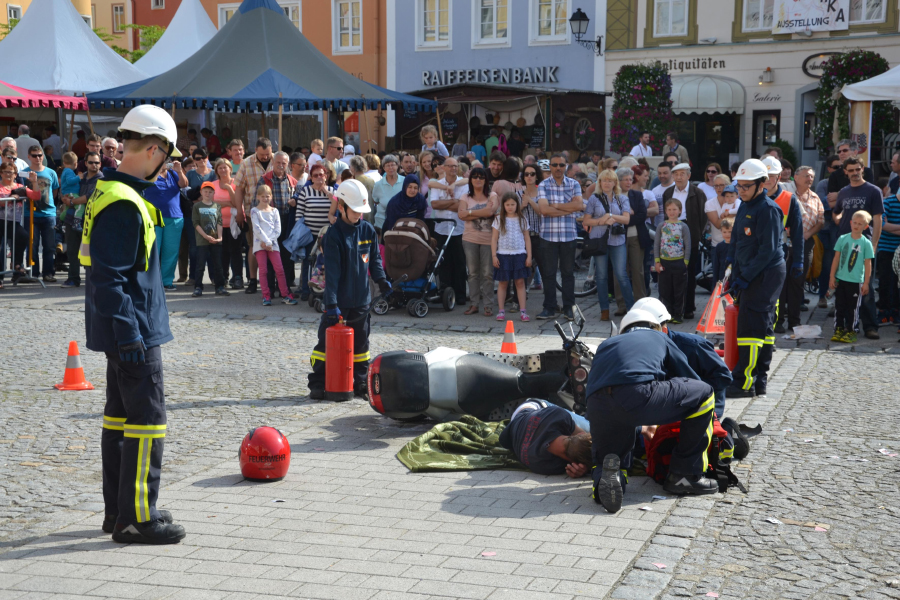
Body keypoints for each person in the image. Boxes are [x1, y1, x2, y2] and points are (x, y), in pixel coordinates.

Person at [80, 104, 186, 544]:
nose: (168, 170)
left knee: (120, 420)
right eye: (168, 159)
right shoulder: (123, 202)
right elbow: (109, 278)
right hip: (134, 331)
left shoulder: (113, 191)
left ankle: (118, 511)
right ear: (155, 149)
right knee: (147, 419)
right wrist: (130, 335)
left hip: (125, 329)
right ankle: (139, 516)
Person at [586, 308, 718, 513]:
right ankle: (685, 475)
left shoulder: (607, 344)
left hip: (597, 403)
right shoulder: (658, 337)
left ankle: (606, 482)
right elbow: (689, 379)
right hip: (637, 395)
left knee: (609, 456)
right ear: (655, 326)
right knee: (704, 394)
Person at [307, 180, 389, 399]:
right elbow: (332, 274)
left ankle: (360, 382)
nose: (359, 215)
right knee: (326, 345)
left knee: (361, 345)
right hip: (338, 302)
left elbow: (375, 260)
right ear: (341, 206)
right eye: (355, 210)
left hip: (362, 301)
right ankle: (317, 382)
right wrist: (331, 304)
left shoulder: (368, 230)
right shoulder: (333, 235)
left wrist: (382, 280)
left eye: (362, 211)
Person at [725, 159, 786, 399]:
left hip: (766, 274)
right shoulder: (744, 206)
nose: (740, 191)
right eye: (738, 186)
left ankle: (744, 383)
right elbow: (738, 240)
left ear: (762, 184)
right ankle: (759, 380)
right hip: (750, 272)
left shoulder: (768, 209)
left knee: (752, 329)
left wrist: (746, 277)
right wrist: (731, 268)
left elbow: (767, 251)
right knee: (762, 327)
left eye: (746, 187)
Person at [633, 297, 733, 418]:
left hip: (701, 406)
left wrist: (691, 390)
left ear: (662, 330)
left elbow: (724, 377)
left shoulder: (694, 346)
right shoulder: (639, 348)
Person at [832, 156, 884, 340]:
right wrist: (839, 221)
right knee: (845, 286)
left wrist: (874, 243)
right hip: (845, 244)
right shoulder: (844, 192)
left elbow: (878, 219)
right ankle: (846, 325)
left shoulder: (873, 191)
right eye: (851, 170)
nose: (854, 173)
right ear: (845, 172)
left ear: (863, 169)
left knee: (865, 285)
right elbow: (836, 212)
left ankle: (870, 326)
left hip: (864, 245)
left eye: (857, 169)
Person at [536, 154, 584, 321]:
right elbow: (543, 210)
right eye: (555, 165)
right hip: (548, 236)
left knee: (568, 273)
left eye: (561, 165)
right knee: (548, 274)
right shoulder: (543, 185)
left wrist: (554, 206)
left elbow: (579, 205)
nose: (558, 168)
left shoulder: (574, 184)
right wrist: (567, 208)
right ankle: (549, 307)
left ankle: (569, 308)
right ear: (550, 166)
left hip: (568, 235)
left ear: (566, 166)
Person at [585, 169, 634, 322]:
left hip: (617, 240)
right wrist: (602, 221)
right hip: (600, 240)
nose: (606, 183)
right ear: (600, 183)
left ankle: (631, 310)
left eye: (610, 180)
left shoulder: (622, 199)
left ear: (615, 183)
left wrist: (611, 216)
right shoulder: (594, 198)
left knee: (621, 275)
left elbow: (626, 220)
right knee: (601, 277)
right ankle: (604, 310)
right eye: (604, 180)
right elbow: (586, 221)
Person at [498, 401, 591, 477]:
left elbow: (581, 436)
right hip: (518, 424)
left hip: (527, 410)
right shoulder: (549, 466)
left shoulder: (558, 416)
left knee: (593, 428)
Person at [662, 163, 706, 319]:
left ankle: (688, 307)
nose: (679, 177)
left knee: (689, 271)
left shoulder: (697, 193)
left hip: (690, 233)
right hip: (670, 234)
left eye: (682, 174)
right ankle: (672, 308)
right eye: (676, 174)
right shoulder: (668, 192)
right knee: (671, 273)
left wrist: (697, 235)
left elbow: (703, 216)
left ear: (689, 175)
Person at [233, 138, 274, 295]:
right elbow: (239, 189)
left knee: (273, 247)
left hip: (273, 214)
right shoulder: (246, 163)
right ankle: (252, 280)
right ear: (256, 150)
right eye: (262, 154)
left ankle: (272, 280)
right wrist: (239, 211)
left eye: (267, 154)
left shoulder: (277, 160)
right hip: (253, 212)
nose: (265, 157)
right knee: (253, 246)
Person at [459, 167, 499, 317]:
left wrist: (469, 213)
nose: (478, 179)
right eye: (474, 177)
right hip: (469, 238)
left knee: (488, 273)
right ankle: (474, 304)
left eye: (481, 177)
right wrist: (481, 213)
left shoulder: (492, 195)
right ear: (470, 180)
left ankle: (488, 305)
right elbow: (461, 215)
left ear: (485, 180)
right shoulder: (465, 196)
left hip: (489, 240)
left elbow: (490, 212)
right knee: (473, 273)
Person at [829, 211, 875, 343]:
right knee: (839, 305)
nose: (856, 225)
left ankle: (851, 330)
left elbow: (868, 264)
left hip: (856, 281)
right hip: (841, 279)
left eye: (860, 224)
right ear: (850, 223)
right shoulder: (843, 239)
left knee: (853, 308)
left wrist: (866, 283)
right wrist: (832, 277)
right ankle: (838, 328)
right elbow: (836, 259)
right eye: (855, 222)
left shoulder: (866, 243)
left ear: (865, 227)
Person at [294, 163, 337, 300]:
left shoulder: (333, 191)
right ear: (311, 178)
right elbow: (299, 215)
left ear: (326, 176)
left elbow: (337, 210)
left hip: (326, 234)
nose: (319, 177)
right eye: (315, 175)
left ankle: (326, 290)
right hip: (309, 233)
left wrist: (328, 193)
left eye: (321, 174)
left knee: (326, 262)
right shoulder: (305, 191)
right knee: (308, 261)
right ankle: (306, 290)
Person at [427, 156, 468, 304]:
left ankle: (460, 295)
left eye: (455, 166)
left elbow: (462, 206)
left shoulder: (463, 184)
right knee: (443, 262)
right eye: (450, 166)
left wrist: (452, 203)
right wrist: (454, 201)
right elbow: (435, 204)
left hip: (459, 229)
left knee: (460, 262)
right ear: (444, 168)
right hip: (442, 229)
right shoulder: (437, 184)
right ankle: (444, 293)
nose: (453, 168)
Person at [143, 160, 188, 290]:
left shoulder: (173, 173)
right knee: (153, 251)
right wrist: (156, 170)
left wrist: (179, 170)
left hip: (174, 217)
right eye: (163, 160)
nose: (166, 163)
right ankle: (150, 282)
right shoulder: (149, 173)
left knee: (171, 252)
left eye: (167, 160)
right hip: (153, 217)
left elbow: (184, 184)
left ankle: (166, 281)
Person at [250, 184, 297, 306]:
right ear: (258, 197)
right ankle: (266, 295)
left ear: (271, 197)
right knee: (264, 270)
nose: (266, 198)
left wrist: (269, 242)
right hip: (260, 244)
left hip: (272, 244)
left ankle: (285, 294)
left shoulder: (274, 211)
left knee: (279, 269)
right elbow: (256, 228)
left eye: (268, 196)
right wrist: (265, 241)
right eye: (263, 196)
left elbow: (278, 229)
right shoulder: (255, 211)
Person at [258, 151, 298, 292]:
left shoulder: (292, 181)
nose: (281, 166)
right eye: (278, 162)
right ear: (273, 163)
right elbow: (256, 203)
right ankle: (269, 289)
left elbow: (299, 201)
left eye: (284, 163)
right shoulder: (264, 179)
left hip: (287, 221)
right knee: (270, 255)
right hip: (269, 222)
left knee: (286, 256)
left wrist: (295, 202)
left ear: (288, 165)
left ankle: (285, 289)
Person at [61, 152, 101, 288]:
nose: (94, 165)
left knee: (92, 252)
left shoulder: (101, 179)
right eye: (91, 162)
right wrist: (64, 198)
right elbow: (64, 187)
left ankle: (93, 280)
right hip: (72, 218)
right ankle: (73, 278)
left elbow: (90, 196)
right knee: (72, 251)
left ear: (100, 164)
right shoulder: (80, 177)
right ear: (85, 163)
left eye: (96, 162)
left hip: (92, 220)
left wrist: (71, 202)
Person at [492, 192, 532, 322]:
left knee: (520, 282)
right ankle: (501, 310)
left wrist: (529, 256)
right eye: (507, 204)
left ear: (517, 205)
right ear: (503, 205)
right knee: (503, 283)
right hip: (503, 255)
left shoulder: (522, 219)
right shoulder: (498, 219)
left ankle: (523, 311)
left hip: (519, 254)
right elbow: (494, 239)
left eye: (513, 204)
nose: (510, 207)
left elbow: (527, 238)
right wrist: (494, 255)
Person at [23, 144, 59, 282]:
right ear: (28, 157)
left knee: (49, 246)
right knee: (32, 245)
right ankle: (33, 272)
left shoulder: (51, 172)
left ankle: (48, 273)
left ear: (43, 156)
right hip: (30, 213)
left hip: (49, 213)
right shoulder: (24, 172)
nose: (37, 158)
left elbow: (55, 191)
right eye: (34, 155)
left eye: (39, 155)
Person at [615, 167, 650, 308]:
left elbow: (642, 215)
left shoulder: (637, 195)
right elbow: (612, 216)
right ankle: (622, 304)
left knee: (638, 270)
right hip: (617, 238)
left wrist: (625, 218)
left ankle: (640, 303)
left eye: (631, 179)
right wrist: (627, 215)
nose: (629, 182)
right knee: (619, 271)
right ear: (618, 181)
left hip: (636, 237)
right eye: (626, 180)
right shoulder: (613, 196)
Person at [0, 162, 38, 288]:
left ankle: (16, 265)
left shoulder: (20, 186)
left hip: (12, 222)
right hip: (0, 220)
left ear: (16, 174)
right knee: (0, 250)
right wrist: (11, 197)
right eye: (5, 171)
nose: (8, 174)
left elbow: (36, 196)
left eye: (11, 172)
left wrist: (34, 182)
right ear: (1, 173)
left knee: (23, 236)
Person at [190, 182, 230, 298]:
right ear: (201, 193)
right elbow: (195, 223)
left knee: (218, 264)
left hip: (216, 240)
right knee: (200, 264)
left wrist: (220, 237)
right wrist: (206, 236)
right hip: (202, 240)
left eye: (210, 191)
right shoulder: (197, 206)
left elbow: (219, 222)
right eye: (205, 191)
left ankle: (220, 286)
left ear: (214, 193)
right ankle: (198, 287)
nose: (208, 194)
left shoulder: (216, 206)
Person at [793, 165, 825, 308]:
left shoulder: (815, 197)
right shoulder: (789, 194)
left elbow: (821, 221)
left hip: (807, 241)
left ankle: (798, 303)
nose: (810, 178)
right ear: (796, 177)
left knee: (802, 274)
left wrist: (808, 234)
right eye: (806, 175)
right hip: (788, 240)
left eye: (811, 176)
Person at [655, 198, 691, 324]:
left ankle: (678, 314)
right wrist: (657, 260)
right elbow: (657, 244)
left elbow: (688, 244)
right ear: (665, 211)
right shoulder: (661, 226)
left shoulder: (683, 226)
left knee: (679, 290)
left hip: (679, 262)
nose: (672, 212)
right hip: (664, 262)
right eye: (669, 209)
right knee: (665, 290)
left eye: (674, 209)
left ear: (680, 211)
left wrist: (685, 261)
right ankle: (667, 313)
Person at [816, 154, 842, 308]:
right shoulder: (823, 184)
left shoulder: (848, 184)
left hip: (843, 227)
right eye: (836, 167)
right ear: (829, 169)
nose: (839, 170)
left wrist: (838, 197)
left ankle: (839, 300)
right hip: (827, 227)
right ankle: (822, 296)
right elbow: (824, 205)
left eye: (841, 167)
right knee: (827, 264)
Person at [877, 187, 900, 324]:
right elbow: (882, 224)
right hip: (887, 248)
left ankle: (896, 311)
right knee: (885, 281)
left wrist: (894, 227)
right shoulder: (888, 202)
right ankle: (884, 311)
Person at [521, 163, 544, 291]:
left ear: (536, 176)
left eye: (532, 174)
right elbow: (511, 213)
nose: (529, 176)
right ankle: (519, 300)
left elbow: (541, 212)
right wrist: (522, 205)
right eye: (526, 174)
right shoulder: (518, 193)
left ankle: (550, 302)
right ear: (523, 177)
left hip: (539, 236)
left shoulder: (541, 192)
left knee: (545, 268)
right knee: (522, 269)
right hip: (523, 236)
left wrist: (529, 201)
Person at [705, 174, 740, 248]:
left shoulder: (737, 201)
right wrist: (733, 213)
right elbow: (718, 225)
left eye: (721, 185)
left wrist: (726, 214)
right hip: (717, 245)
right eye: (716, 186)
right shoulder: (710, 203)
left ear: (728, 185)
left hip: (736, 243)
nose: (719, 188)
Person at [372, 154, 402, 238]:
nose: (390, 168)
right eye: (387, 165)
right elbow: (375, 200)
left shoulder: (404, 181)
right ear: (384, 168)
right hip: (382, 221)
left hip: (399, 221)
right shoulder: (378, 184)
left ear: (397, 165)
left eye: (393, 165)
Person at [348, 155, 375, 226]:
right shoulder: (371, 181)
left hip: (355, 216)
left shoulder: (351, 182)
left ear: (353, 168)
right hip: (370, 215)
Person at [712, 217, 733, 283]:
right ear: (721, 231)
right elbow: (716, 265)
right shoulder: (719, 246)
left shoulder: (737, 246)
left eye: (730, 232)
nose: (727, 234)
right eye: (724, 232)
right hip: (721, 278)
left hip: (733, 278)